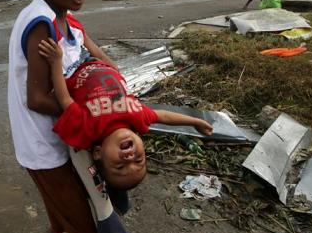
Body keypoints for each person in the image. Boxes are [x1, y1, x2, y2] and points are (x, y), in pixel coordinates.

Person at [7, 0, 115, 233]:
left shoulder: (67, 20)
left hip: (59, 136)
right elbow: (36, 99)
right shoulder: (42, 23)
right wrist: (95, 118)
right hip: (43, 145)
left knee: (61, 199)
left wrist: (114, 91)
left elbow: (104, 60)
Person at [38, 37, 214, 190]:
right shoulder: (136, 119)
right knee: (79, 32)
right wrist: (195, 121)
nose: (130, 157)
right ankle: (79, 30)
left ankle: (76, 31)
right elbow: (163, 116)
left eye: (120, 165)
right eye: (138, 160)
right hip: (102, 63)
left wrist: (56, 62)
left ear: (98, 153)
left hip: (73, 65)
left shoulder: (88, 128)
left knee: (65, 32)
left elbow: (64, 99)